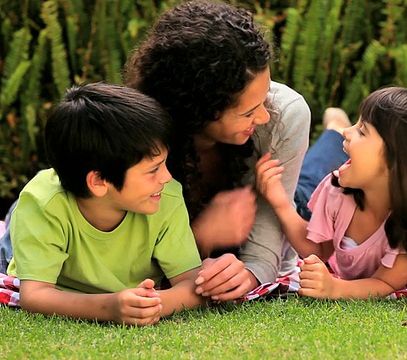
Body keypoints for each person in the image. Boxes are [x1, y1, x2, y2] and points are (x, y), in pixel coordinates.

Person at [124, 0, 311, 301]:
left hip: (281, 198)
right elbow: (132, 261)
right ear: (198, 110)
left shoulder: (283, 113)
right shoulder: (140, 133)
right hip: (203, 245)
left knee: (314, 184)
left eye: (264, 99)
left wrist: (250, 274)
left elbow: (265, 253)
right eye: (248, 112)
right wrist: (201, 237)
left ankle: (334, 130)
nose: (263, 116)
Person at [0, 83, 204, 325]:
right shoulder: (44, 204)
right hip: (39, 222)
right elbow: (35, 296)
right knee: (14, 235)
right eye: (153, 169)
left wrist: (152, 305)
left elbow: (192, 284)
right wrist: (109, 308)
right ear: (100, 181)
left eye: (165, 163)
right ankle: (16, 216)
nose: (167, 177)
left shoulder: (165, 196)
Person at [255, 86, 407, 300]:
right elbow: (319, 249)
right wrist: (281, 203)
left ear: (398, 164)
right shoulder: (337, 192)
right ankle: (333, 127)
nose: (348, 132)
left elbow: (384, 283)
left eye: (362, 131)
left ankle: (332, 126)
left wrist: (335, 288)